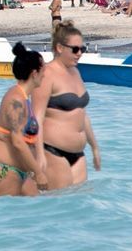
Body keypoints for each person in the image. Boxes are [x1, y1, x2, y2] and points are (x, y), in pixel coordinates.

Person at [31, 21, 100, 190]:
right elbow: (36, 119)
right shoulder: (46, 74)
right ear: (60, 48)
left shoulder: (75, 72)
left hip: (79, 155)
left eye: (82, 49)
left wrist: (95, 148)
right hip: (52, 152)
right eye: (75, 49)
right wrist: (39, 156)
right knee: (56, 209)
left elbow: (81, 114)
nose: (79, 54)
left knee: (77, 210)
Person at [0, 45, 45, 196]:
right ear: (35, 73)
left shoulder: (24, 98)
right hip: (3, 171)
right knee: (7, 218)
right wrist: (38, 172)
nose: (45, 74)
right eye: (44, 69)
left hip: (21, 173)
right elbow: (17, 141)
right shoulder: (15, 100)